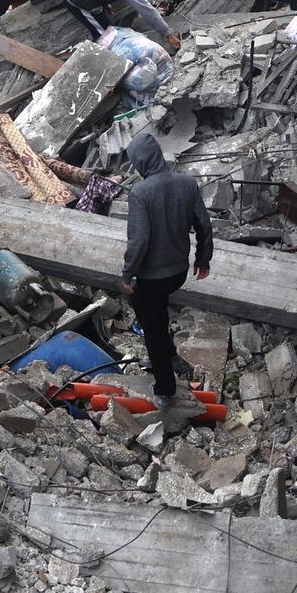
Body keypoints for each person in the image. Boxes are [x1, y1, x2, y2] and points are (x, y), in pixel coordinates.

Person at [119, 133, 213, 417]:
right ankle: (172, 355)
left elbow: (139, 242)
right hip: (180, 271)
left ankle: (165, 389)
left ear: (140, 162)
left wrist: (126, 275)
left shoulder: (141, 193)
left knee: (152, 329)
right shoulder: (187, 183)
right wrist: (203, 259)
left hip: (153, 277)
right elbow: (204, 226)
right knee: (154, 308)